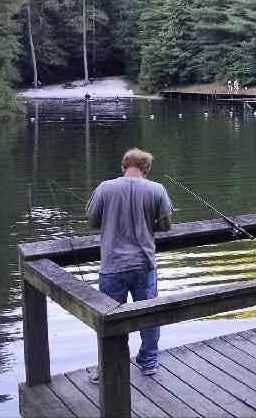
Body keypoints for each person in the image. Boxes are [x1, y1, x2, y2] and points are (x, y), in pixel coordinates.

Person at [86, 148, 173, 381]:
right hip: (144, 264)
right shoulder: (156, 189)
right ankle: (149, 363)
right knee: (150, 316)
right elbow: (166, 225)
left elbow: (93, 222)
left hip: (112, 265)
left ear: (124, 166)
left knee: (109, 320)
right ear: (146, 169)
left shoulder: (105, 188)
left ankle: (108, 368)